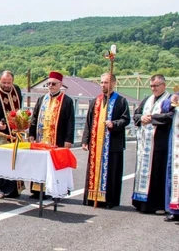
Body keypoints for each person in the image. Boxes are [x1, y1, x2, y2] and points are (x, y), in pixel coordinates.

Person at [81, 73, 130, 209]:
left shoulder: (121, 101)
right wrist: (85, 139)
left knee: (111, 172)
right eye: (102, 82)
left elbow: (126, 119)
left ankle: (109, 200)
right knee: (94, 170)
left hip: (112, 143)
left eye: (106, 82)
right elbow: (88, 122)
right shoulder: (95, 101)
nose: (103, 85)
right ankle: (92, 197)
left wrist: (113, 124)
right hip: (96, 144)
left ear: (113, 83)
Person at [28, 71, 76, 199]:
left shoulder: (67, 101)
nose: (50, 86)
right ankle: (38, 190)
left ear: (60, 84)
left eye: (53, 84)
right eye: (48, 84)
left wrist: (68, 139)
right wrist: (31, 133)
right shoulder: (41, 99)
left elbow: (71, 121)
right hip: (41, 139)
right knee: (40, 164)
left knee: (55, 165)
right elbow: (34, 117)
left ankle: (55, 190)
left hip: (57, 138)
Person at [131, 74, 171, 214]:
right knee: (142, 171)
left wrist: (152, 118)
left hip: (160, 144)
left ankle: (157, 205)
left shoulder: (169, 100)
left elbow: (169, 116)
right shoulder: (147, 100)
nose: (153, 88)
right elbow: (136, 114)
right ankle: (141, 202)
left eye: (156, 86)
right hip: (144, 144)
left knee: (157, 173)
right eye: (152, 86)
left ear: (164, 85)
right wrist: (141, 117)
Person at [0, 70, 24, 198]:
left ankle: (13, 189)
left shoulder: (16, 89)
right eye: (4, 82)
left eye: (9, 82)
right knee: (0, 161)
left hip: (15, 133)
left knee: (15, 160)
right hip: (1, 133)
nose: (7, 85)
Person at [162, 92, 179, 222]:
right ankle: (174, 210)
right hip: (175, 141)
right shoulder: (176, 94)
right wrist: (172, 102)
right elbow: (165, 106)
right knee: (173, 174)